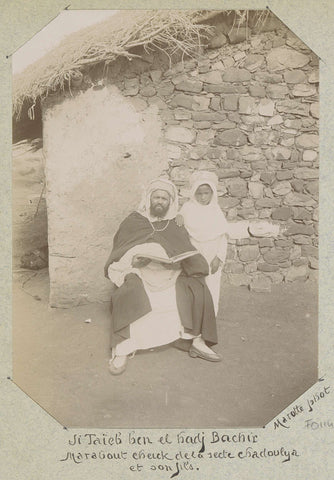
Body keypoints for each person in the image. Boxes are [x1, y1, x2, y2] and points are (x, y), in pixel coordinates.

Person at [104, 178, 221, 375]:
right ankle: (123, 349)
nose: (160, 201)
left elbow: (184, 247)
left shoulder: (175, 223)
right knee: (130, 290)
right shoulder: (134, 220)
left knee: (196, 286)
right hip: (138, 270)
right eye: (156, 197)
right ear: (149, 199)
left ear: (170, 202)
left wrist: (176, 262)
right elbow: (120, 250)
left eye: (164, 199)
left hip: (170, 270)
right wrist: (133, 261)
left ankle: (196, 340)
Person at [176, 171, 280, 315]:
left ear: (212, 193)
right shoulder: (187, 208)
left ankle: (208, 323)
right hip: (193, 254)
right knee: (193, 289)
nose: (203, 197)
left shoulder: (215, 210)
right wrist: (179, 217)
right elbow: (179, 227)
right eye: (199, 193)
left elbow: (222, 235)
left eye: (206, 193)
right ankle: (192, 325)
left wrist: (219, 257)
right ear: (194, 193)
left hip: (212, 254)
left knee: (211, 288)